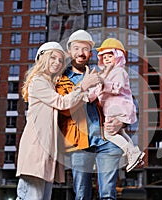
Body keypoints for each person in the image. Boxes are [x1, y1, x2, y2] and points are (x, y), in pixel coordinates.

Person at [16, 41, 101, 200]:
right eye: (53, 58)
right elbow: (62, 103)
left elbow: (68, 105)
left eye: (61, 60)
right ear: (42, 59)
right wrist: (83, 86)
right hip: (37, 150)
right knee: (31, 196)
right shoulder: (39, 81)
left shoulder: (50, 83)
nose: (57, 62)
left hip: (47, 151)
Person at [56, 30, 125, 199]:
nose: (81, 53)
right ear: (69, 52)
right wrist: (84, 86)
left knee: (108, 194)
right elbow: (64, 109)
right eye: (77, 48)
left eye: (85, 49)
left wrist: (121, 122)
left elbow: (123, 100)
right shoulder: (60, 80)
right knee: (81, 195)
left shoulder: (103, 74)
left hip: (107, 139)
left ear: (91, 53)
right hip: (80, 143)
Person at [88, 38, 144, 172]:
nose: (107, 59)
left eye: (110, 56)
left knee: (108, 133)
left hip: (118, 108)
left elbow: (117, 87)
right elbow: (95, 91)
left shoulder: (119, 71)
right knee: (121, 132)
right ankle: (136, 155)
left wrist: (101, 82)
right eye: (104, 57)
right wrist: (88, 95)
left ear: (118, 57)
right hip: (113, 110)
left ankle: (131, 153)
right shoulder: (104, 74)